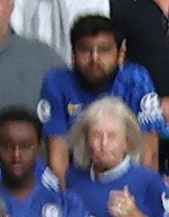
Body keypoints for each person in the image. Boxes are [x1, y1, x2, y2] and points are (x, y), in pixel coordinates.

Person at [39, 14, 165, 176]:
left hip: (130, 179)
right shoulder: (57, 82)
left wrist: (140, 195)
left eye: (104, 50)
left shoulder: (136, 79)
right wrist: (66, 200)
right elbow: (57, 157)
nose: (94, 58)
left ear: (121, 53)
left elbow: (149, 154)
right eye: (85, 50)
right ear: (73, 55)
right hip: (78, 182)